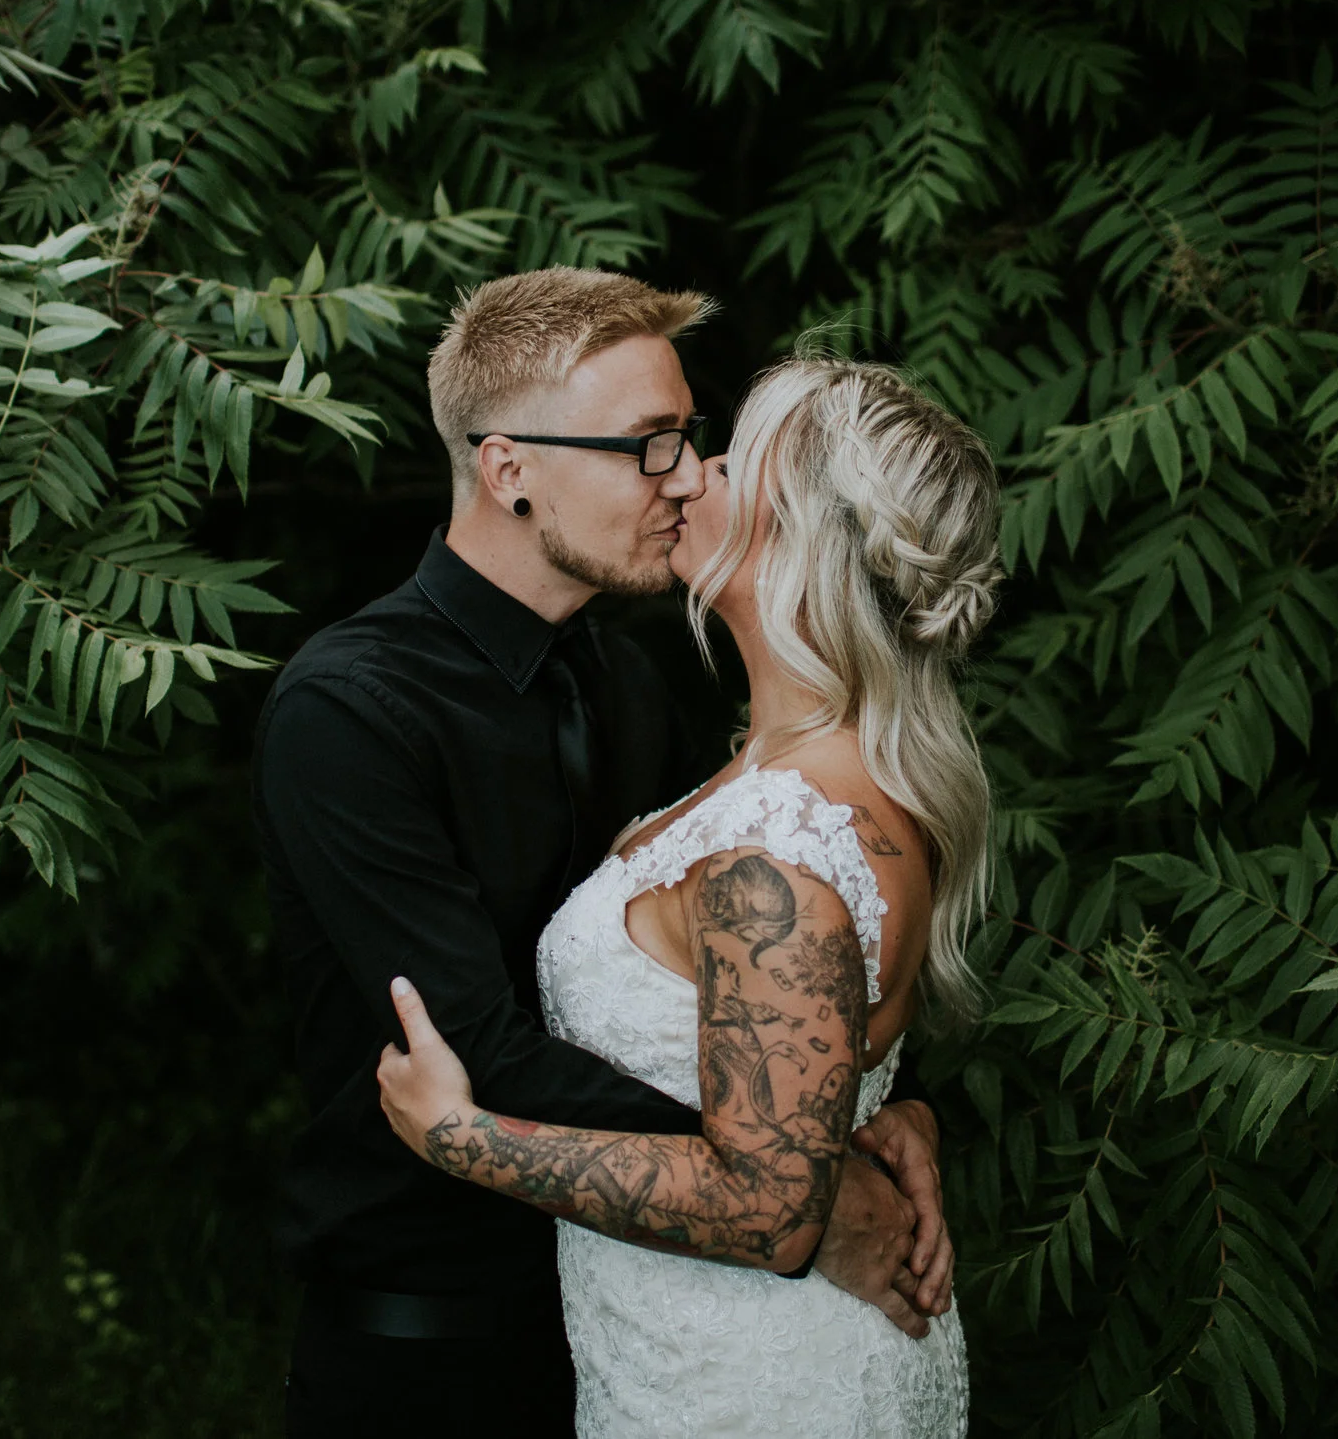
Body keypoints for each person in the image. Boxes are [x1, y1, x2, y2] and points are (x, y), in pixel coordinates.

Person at [253, 273, 953, 1438]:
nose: (681, 476)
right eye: (645, 444)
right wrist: (808, 1194)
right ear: (508, 468)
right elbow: (474, 1046)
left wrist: (900, 1103)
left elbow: (770, 954)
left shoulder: (629, 674)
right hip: (445, 1336)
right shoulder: (351, 713)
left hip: (659, 1314)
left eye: (688, 435)